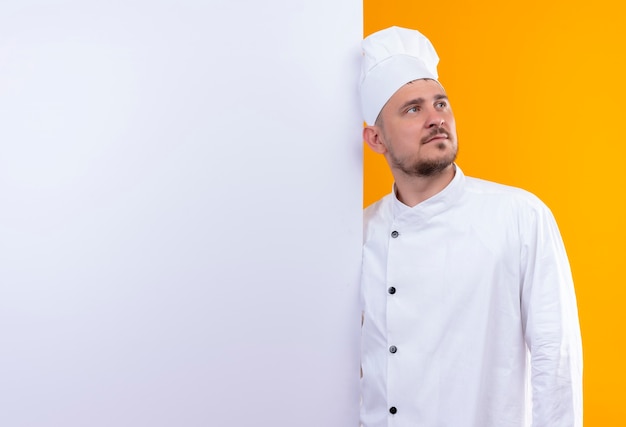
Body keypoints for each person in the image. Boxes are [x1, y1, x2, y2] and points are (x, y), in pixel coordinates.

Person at [359, 26, 583, 427]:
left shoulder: (518, 216)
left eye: (441, 104)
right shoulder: (360, 234)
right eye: (413, 109)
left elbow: (556, 358)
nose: (436, 119)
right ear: (376, 139)